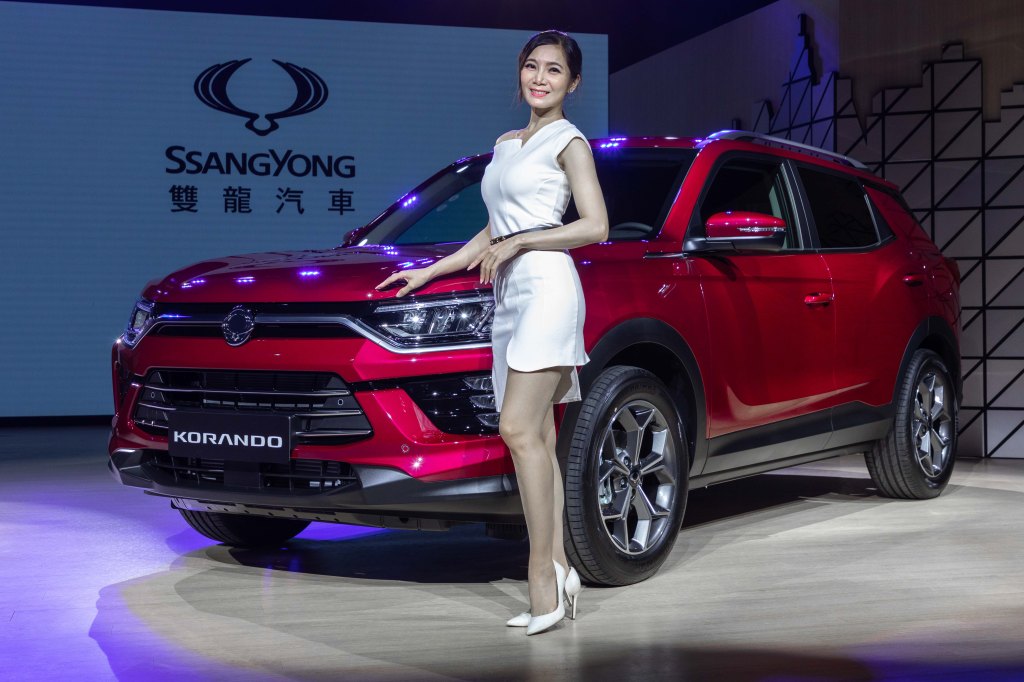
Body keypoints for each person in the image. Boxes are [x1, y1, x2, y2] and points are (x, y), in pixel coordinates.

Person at [375, 29, 608, 636]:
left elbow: (595, 226)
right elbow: (492, 230)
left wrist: (524, 240)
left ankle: (541, 581)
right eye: (532, 66)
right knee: (538, 438)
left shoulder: (570, 142)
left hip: (549, 288)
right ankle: (560, 568)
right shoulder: (506, 144)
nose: (540, 78)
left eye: (553, 70)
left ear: (573, 83)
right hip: (508, 297)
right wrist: (431, 271)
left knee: (517, 430)